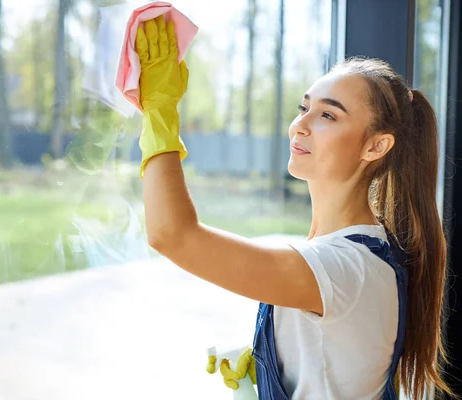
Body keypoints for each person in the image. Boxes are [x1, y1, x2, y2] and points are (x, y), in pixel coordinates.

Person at [134, 15, 453, 400]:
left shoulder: (347, 268)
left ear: (375, 146)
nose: (300, 125)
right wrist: (271, 376)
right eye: (304, 107)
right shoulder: (354, 257)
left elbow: (173, 235)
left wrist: (159, 112)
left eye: (328, 115)